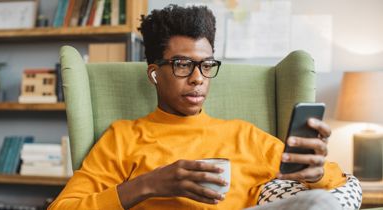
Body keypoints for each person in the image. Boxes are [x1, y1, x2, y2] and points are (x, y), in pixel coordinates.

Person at [48, 5, 346, 210]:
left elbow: (337, 187)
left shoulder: (244, 135)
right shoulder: (123, 138)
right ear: (154, 74)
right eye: (182, 65)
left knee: (321, 203)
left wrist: (315, 173)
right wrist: (147, 185)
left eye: (206, 65)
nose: (197, 78)